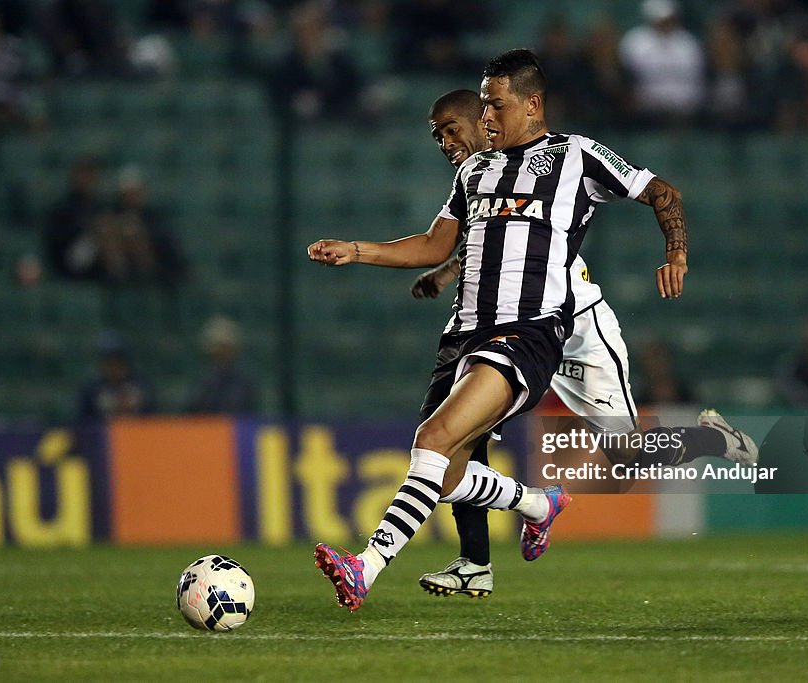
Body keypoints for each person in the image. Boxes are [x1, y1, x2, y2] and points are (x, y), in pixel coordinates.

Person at [307, 49, 754, 612]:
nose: (485, 118)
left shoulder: (576, 156)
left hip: (540, 329)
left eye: (494, 105)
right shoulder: (475, 171)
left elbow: (663, 193)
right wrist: (356, 250)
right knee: (442, 473)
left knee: (621, 456)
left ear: (532, 103)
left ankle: (366, 568)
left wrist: (677, 252)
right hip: (468, 333)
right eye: (484, 106)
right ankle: (537, 508)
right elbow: (443, 243)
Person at [411, 89, 753, 598]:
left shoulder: (559, 163)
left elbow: (529, 237)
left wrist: (677, 252)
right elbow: (494, 245)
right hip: (522, 329)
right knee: (465, 432)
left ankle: (713, 439)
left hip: (580, 331)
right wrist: (446, 271)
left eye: (462, 126)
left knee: (628, 456)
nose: (452, 141)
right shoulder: (486, 175)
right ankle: (473, 562)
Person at [185, 315, 256, 414]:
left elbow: (239, 409)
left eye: (224, 347)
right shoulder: (201, 379)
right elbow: (192, 409)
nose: (220, 352)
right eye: (216, 347)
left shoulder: (243, 382)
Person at [78, 331, 156, 419]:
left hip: (136, 431)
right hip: (103, 431)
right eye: (109, 363)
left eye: (117, 363)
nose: (113, 369)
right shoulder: (92, 390)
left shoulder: (141, 387)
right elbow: (83, 422)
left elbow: (152, 419)